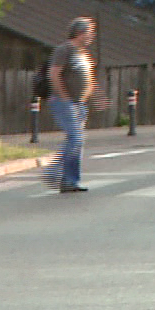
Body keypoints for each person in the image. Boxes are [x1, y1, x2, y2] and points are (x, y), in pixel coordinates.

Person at [45, 17, 104, 194]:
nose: (91, 36)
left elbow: (88, 78)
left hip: (79, 103)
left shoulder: (82, 53)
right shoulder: (65, 49)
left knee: (77, 142)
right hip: (64, 102)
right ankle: (54, 171)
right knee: (76, 139)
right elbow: (54, 74)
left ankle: (70, 181)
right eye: (89, 32)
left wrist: (95, 96)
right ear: (79, 33)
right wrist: (64, 97)